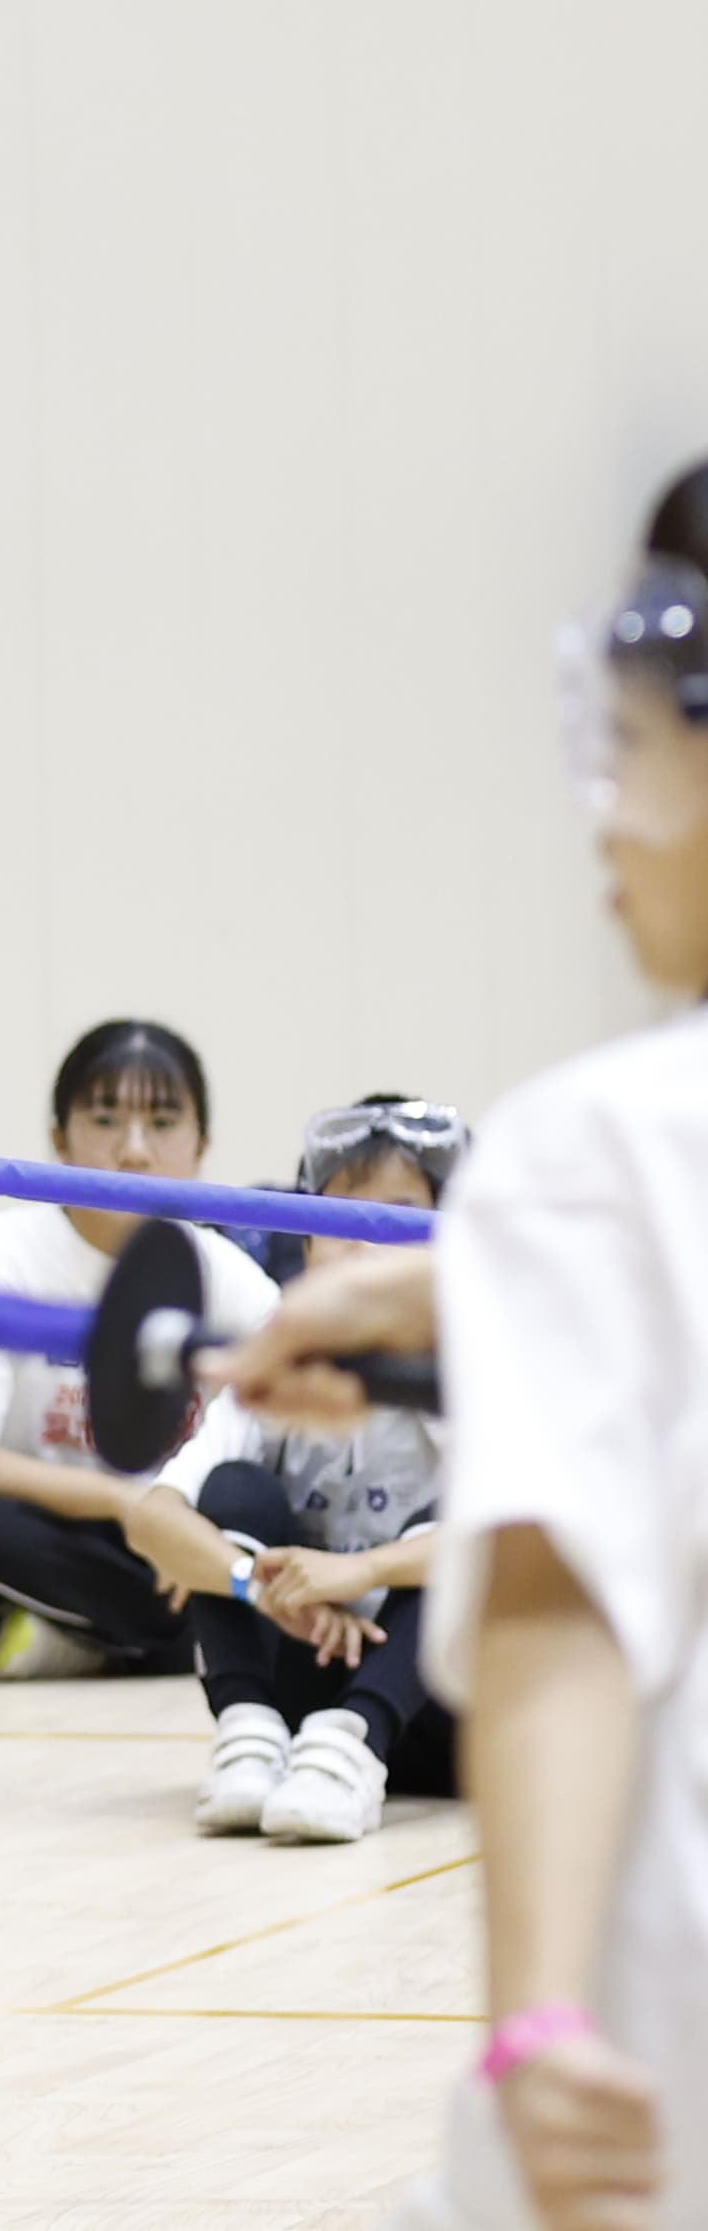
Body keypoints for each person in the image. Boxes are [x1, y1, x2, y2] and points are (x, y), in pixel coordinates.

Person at [238, 522, 708, 2231]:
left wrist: (529, 2025)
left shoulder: (592, 1147)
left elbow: (550, 1611)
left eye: (639, 744)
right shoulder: (581, 1190)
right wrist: (469, 1309)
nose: (601, 810)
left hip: (649, 2092)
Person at [0, 1019, 282, 1678]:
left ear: (201, 1145)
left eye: (163, 1122)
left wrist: (184, 1527)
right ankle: (205, 1637)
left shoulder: (226, 1278)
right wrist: (129, 1504)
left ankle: (76, 1638)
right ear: (60, 1140)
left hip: (158, 1545)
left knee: (255, 1510)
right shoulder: (0, 1257)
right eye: (105, 1120)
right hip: (14, 1548)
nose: (135, 1151)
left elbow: (283, 1445)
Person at [123, 1099, 467, 1843]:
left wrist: (361, 1570)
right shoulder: (275, 1355)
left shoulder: (471, 1371)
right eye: (345, 1221)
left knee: (459, 1521)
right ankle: (247, 1736)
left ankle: (358, 1739)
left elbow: (508, 1538)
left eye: (399, 1218)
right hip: (304, 1689)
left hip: (436, 1706)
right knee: (230, 1494)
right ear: (307, 1242)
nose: (367, 1246)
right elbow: (151, 1518)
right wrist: (260, 1583)